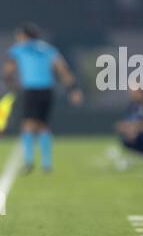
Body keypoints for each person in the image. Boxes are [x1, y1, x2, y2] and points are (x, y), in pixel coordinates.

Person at [4, 23, 83, 173]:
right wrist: (73, 89)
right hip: (47, 90)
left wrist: (10, 84)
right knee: (42, 126)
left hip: (32, 90)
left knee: (27, 125)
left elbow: (8, 70)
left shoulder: (19, 49)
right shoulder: (48, 49)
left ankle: (28, 163)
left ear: (24, 36)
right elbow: (62, 69)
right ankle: (47, 164)